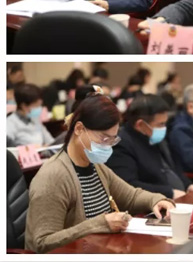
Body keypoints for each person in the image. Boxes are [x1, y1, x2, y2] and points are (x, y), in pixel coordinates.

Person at [25, 94, 174, 253]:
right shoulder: (53, 176)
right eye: (104, 139)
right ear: (79, 129)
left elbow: (131, 196)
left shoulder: (96, 166)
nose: (108, 146)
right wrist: (98, 224)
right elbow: (42, 243)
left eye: (112, 140)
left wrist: (157, 200)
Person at [106, 94, 193, 199]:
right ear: (140, 124)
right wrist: (169, 193)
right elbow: (128, 185)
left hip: (179, 196)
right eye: (160, 124)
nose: (164, 128)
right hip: (153, 202)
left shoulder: (154, 136)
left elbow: (173, 167)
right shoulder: (121, 145)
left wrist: (188, 185)